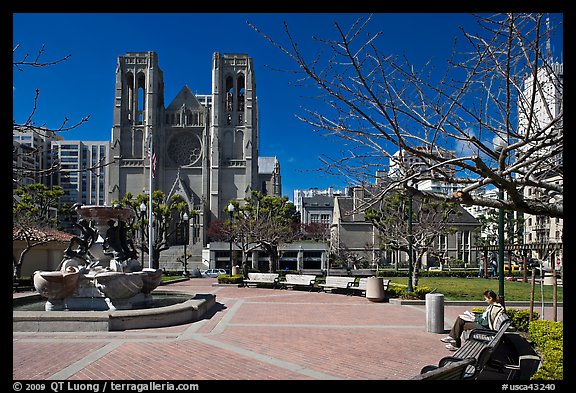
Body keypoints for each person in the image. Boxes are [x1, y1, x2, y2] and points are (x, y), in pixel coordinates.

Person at [440, 289, 505, 351]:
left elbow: (487, 323)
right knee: (461, 319)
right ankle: (453, 341)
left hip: (485, 328)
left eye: (486, 299)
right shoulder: (492, 306)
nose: (485, 300)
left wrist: (476, 319)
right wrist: (474, 315)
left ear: (490, 298)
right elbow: (485, 316)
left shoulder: (495, 308)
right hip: (482, 325)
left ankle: (454, 342)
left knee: (462, 324)